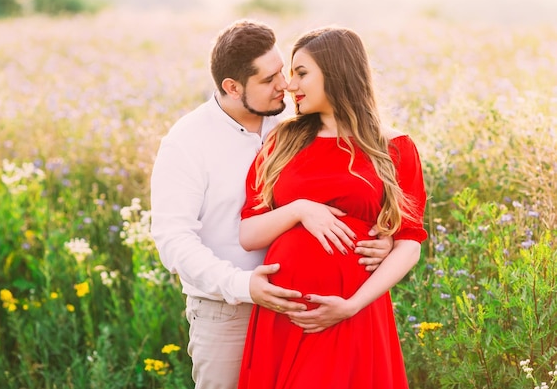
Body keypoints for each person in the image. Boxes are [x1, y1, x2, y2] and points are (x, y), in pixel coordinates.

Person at [150, 19, 394, 389]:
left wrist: (383, 238)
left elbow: (359, 179)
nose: (284, 85)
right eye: (268, 80)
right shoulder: (188, 141)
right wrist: (243, 284)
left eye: (282, 71)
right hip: (229, 310)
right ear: (232, 87)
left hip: (304, 308)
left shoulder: (295, 120)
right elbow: (173, 240)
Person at [237, 26, 428, 389]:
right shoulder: (282, 141)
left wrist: (352, 305)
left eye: (302, 73)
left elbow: (409, 241)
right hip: (286, 317)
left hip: (352, 314)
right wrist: (299, 209)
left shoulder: (396, 148)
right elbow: (249, 234)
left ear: (337, 72)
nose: (290, 86)